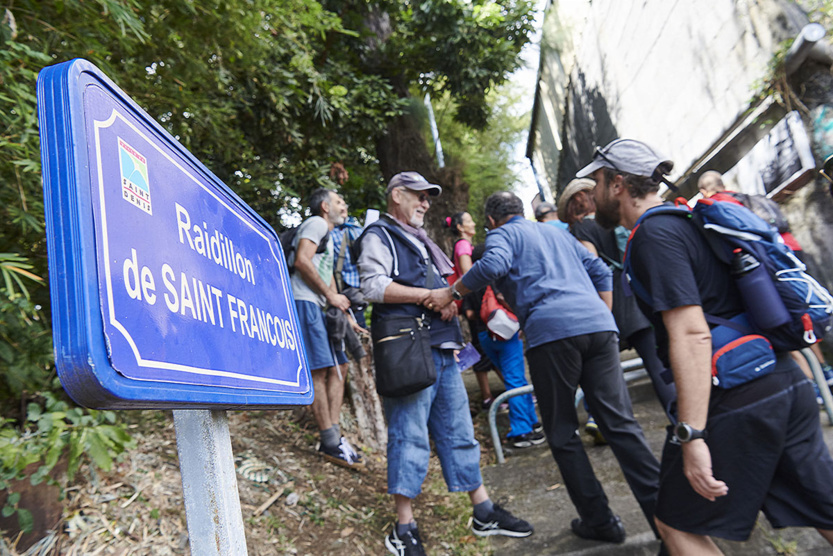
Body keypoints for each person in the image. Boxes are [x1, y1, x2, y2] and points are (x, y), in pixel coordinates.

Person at [589, 137, 833, 555]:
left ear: (616, 184)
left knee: (676, 523)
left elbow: (692, 333)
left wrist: (692, 435)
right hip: (783, 381)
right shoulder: (689, 220)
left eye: (596, 181)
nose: (592, 193)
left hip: (738, 397)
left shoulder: (654, 235)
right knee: (824, 509)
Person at [427, 191, 661, 545]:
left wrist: (452, 292)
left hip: (552, 336)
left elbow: (491, 267)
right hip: (598, 327)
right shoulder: (556, 231)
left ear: (490, 220)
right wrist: (600, 314)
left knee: (563, 431)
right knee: (622, 425)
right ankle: (669, 523)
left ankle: (600, 521)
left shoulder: (502, 235)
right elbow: (599, 270)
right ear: (521, 211)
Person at [357, 172, 533, 555]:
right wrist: (429, 294)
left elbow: (437, 292)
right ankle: (404, 528)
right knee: (409, 435)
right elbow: (370, 286)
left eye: (428, 198)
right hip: (407, 351)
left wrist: (447, 301)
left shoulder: (421, 241)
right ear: (396, 195)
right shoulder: (379, 235)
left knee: (458, 431)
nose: (425, 204)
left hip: (440, 347)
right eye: (418, 196)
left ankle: (483, 510)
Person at [698, 170, 833, 394]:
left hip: (766, 271)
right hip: (790, 255)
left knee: (780, 323)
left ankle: (814, 386)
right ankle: (824, 371)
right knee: (804, 314)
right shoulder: (747, 198)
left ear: (704, 190)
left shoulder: (715, 206)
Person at [558, 177, 677, 427]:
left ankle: (603, 422)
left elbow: (592, 267)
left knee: (605, 374)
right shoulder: (615, 221)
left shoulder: (581, 229)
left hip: (608, 304)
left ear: (573, 204)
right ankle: (680, 421)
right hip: (637, 297)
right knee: (659, 371)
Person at [290, 188, 362, 469]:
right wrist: (330, 296)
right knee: (320, 369)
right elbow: (302, 261)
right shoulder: (317, 224)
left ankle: (334, 435)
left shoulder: (329, 234)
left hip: (321, 307)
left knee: (339, 367)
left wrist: (343, 310)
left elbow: (326, 272)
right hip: (306, 302)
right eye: (339, 202)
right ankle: (329, 439)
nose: (344, 207)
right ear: (324, 206)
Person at [465, 243, 544, 448]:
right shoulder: (496, 277)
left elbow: (469, 313)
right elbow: (505, 298)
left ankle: (531, 421)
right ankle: (522, 430)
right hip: (506, 334)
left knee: (514, 377)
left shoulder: (470, 281)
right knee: (515, 379)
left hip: (484, 335)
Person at [445, 211, 504, 410]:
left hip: (475, 300)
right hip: (474, 300)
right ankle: (490, 396)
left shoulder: (466, 245)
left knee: (482, 346)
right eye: (469, 221)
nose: (473, 223)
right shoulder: (463, 245)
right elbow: (470, 275)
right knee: (482, 346)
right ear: (460, 227)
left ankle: (497, 394)